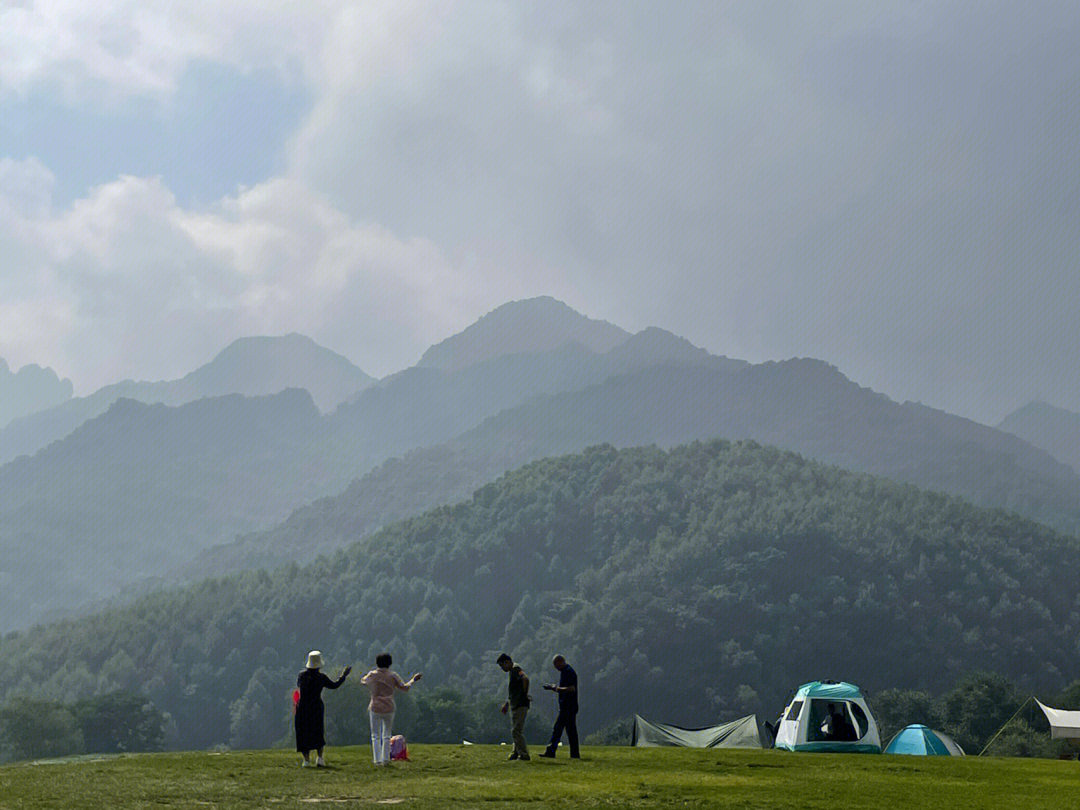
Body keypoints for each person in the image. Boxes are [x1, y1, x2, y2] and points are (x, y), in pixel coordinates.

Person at [360, 653, 422, 766]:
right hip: (389, 706)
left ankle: (377, 760)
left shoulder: (373, 675)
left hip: (375, 706)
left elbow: (363, 681)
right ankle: (385, 759)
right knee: (387, 734)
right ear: (390, 663)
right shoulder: (393, 676)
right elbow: (405, 687)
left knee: (375, 735)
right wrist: (413, 680)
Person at [295, 650, 351, 767]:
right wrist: (343, 675)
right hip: (316, 706)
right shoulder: (321, 677)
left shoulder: (302, 676)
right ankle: (320, 758)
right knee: (318, 731)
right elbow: (334, 685)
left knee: (303, 731)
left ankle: (306, 760)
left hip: (303, 707)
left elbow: (299, 687)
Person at [539, 654, 579, 759]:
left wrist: (556, 688)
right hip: (569, 706)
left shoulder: (568, 672)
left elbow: (571, 688)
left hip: (568, 706)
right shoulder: (566, 671)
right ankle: (574, 754)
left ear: (560, 662)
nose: (556, 668)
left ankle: (551, 751)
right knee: (570, 731)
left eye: (556, 665)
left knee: (558, 729)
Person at [497, 653, 530, 760]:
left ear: (507, 662)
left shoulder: (516, 669)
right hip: (515, 704)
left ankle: (524, 754)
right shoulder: (513, 671)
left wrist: (524, 694)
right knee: (516, 729)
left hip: (520, 704)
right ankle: (515, 752)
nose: (502, 669)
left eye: (502, 666)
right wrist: (507, 703)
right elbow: (513, 691)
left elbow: (525, 678)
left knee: (516, 730)